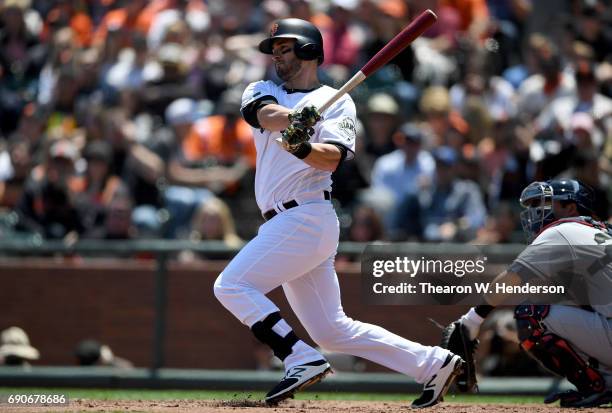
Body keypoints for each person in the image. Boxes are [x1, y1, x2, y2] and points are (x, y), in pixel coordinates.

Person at [213, 18, 464, 408]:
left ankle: (298, 357)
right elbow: (262, 115)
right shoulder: (263, 89)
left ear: (310, 50)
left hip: (306, 216)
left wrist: (302, 147)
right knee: (332, 330)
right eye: (274, 49)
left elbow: (330, 160)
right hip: (287, 223)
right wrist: (298, 121)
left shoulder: (339, 100)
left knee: (230, 286)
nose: (277, 55)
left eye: (286, 47)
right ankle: (433, 363)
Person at [441, 179, 612, 408]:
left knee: (531, 316)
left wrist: (472, 320)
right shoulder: (602, 231)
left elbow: (511, 279)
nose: (535, 211)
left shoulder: (563, 230)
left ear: (571, 208)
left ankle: (600, 386)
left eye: (548, 203)